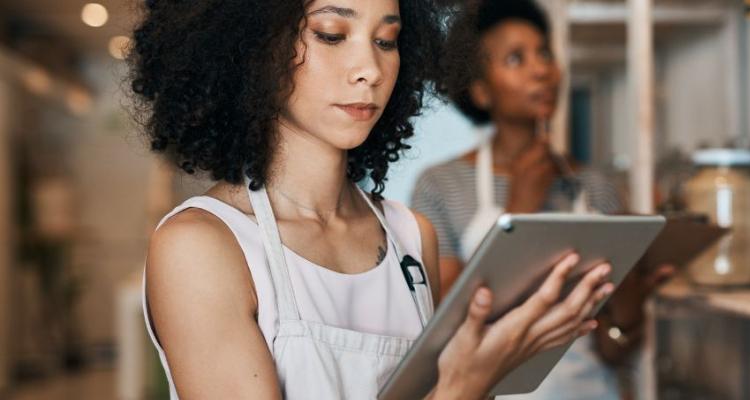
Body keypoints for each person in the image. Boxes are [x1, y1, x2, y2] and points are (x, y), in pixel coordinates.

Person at [129, 0, 616, 398]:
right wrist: (465, 385)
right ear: (253, 47)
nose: (371, 69)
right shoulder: (201, 246)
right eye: (331, 34)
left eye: (386, 40)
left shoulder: (410, 236)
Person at [412, 1, 673, 398]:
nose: (542, 70)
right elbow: (443, 329)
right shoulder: (439, 186)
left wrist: (630, 302)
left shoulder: (593, 186)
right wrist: (520, 206)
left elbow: (611, 350)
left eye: (545, 53)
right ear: (481, 90)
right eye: (516, 58)